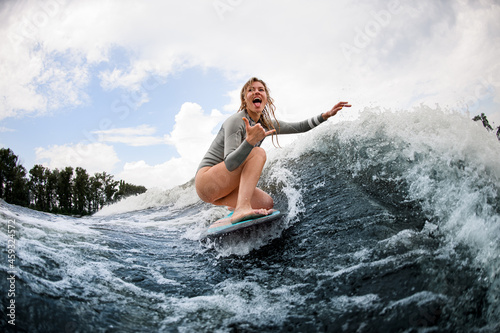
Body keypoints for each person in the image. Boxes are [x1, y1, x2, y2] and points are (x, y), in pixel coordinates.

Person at [195, 77, 351, 224]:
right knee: (258, 153)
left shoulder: (266, 123)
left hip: (222, 190)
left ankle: (235, 205)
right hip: (207, 182)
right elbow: (230, 163)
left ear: (266, 98)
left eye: (261, 90)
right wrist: (250, 142)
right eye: (251, 90)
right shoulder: (236, 121)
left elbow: (299, 127)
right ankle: (241, 208)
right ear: (244, 99)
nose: (256, 92)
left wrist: (325, 115)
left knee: (266, 203)